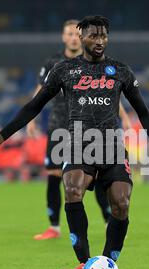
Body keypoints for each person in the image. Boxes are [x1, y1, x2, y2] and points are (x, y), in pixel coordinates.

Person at [0, 15, 149, 269]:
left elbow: (142, 110)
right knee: (73, 190)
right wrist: (1, 136)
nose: (100, 41)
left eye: (104, 36)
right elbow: (34, 106)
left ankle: (105, 268)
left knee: (121, 204)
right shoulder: (64, 70)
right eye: (94, 35)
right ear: (81, 37)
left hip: (113, 147)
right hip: (79, 144)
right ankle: (83, 263)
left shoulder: (121, 71)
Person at [27, 19, 131, 240]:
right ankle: (54, 227)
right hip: (59, 126)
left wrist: (124, 117)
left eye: (76, 34)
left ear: (82, 37)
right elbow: (40, 90)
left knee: (98, 174)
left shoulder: (95, 62)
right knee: (55, 174)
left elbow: (110, 93)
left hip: (90, 128)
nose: (73, 37)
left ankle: (106, 220)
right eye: (69, 34)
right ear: (64, 37)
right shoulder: (54, 63)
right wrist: (31, 120)